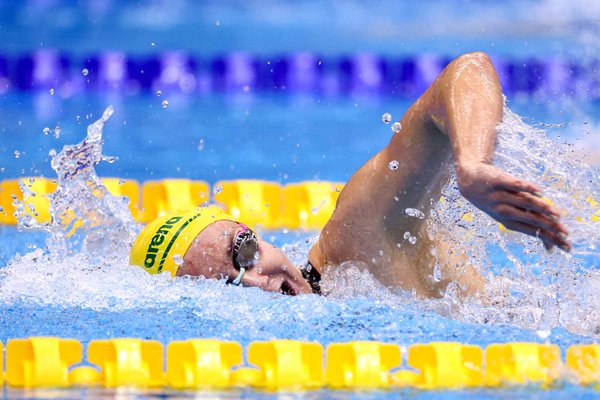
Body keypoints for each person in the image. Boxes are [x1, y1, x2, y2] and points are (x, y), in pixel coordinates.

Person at [129, 52, 571, 298]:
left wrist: (472, 165)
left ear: (254, 234)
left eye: (242, 254)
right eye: (227, 286)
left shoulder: (356, 240)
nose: (258, 280)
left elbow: (468, 70)